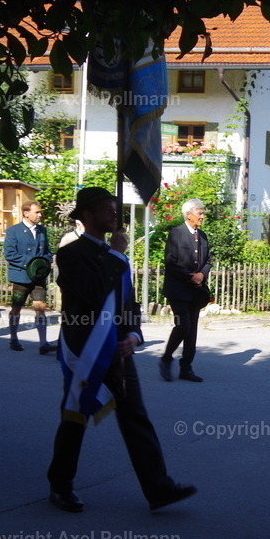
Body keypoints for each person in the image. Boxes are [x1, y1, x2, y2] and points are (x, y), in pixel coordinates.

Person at [46, 187, 196, 513]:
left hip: (118, 350)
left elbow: (127, 303)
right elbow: (94, 292)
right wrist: (115, 255)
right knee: (76, 417)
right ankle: (60, 485)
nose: (115, 214)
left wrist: (134, 334)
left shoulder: (118, 257)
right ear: (86, 215)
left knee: (136, 418)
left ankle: (159, 488)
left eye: (115, 208)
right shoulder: (71, 254)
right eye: (106, 209)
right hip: (86, 352)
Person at [159, 199, 211, 382]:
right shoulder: (176, 234)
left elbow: (208, 260)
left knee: (192, 330)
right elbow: (171, 262)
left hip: (196, 291)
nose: (202, 216)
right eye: (200, 213)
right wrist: (191, 276)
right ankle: (166, 358)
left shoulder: (202, 236)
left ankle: (186, 368)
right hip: (178, 289)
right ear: (188, 214)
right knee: (183, 325)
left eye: (203, 213)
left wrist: (202, 275)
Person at [3, 200, 56, 354]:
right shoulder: (14, 231)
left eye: (40, 212)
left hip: (38, 277)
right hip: (21, 276)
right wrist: (32, 264)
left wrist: (45, 261)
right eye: (37, 212)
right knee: (16, 308)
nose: (40, 214)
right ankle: (13, 338)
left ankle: (43, 343)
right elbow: (10, 254)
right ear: (26, 213)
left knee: (40, 308)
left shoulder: (42, 230)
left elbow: (47, 251)